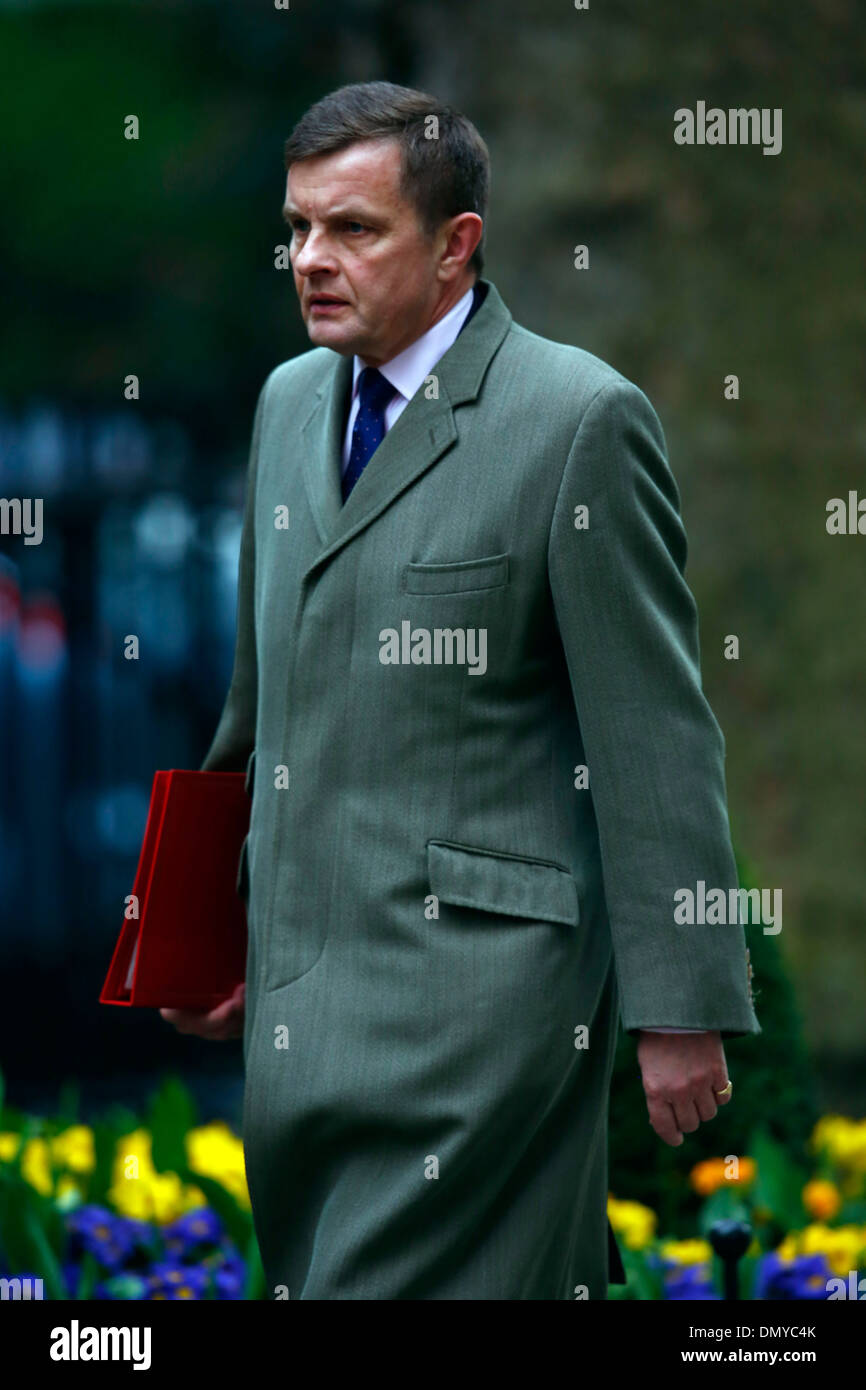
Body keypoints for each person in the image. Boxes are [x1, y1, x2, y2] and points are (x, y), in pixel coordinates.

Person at [162, 80, 759, 1300]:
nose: (309, 260)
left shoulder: (578, 419)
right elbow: (255, 705)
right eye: (295, 229)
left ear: (455, 246)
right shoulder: (285, 408)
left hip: (482, 1023)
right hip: (298, 1016)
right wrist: (203, 927)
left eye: (352, 229)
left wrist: (680, 1006)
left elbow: (650, 732)